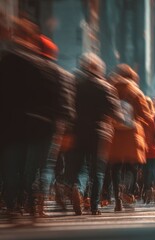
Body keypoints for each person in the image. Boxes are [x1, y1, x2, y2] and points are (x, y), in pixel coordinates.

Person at [0, 19, 74, 217]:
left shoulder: (5, 60)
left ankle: (12, 203)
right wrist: (64, 127)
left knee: (11, 165)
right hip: (41, 125)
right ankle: (33, 201)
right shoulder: (47, 66)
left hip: (10, 124)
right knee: (36, 167)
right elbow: (61, 99)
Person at [71, 53, 122, 215]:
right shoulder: (106, 87)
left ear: (85, 67)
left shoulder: (76, 85)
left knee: (80, 167)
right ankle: (94, 206)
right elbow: (117, 114)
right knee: (97, 171)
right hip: (100, 133)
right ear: (99, 69)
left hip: (79, 130)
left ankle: (77, 189)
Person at [107, 64, 152, 211]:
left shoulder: (109, 88)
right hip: (131, 136)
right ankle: (126, 190)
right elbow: (146, 116)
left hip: (113, 135)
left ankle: (117, 197)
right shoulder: (136, 92)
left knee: (115, 168)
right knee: (131, 167)